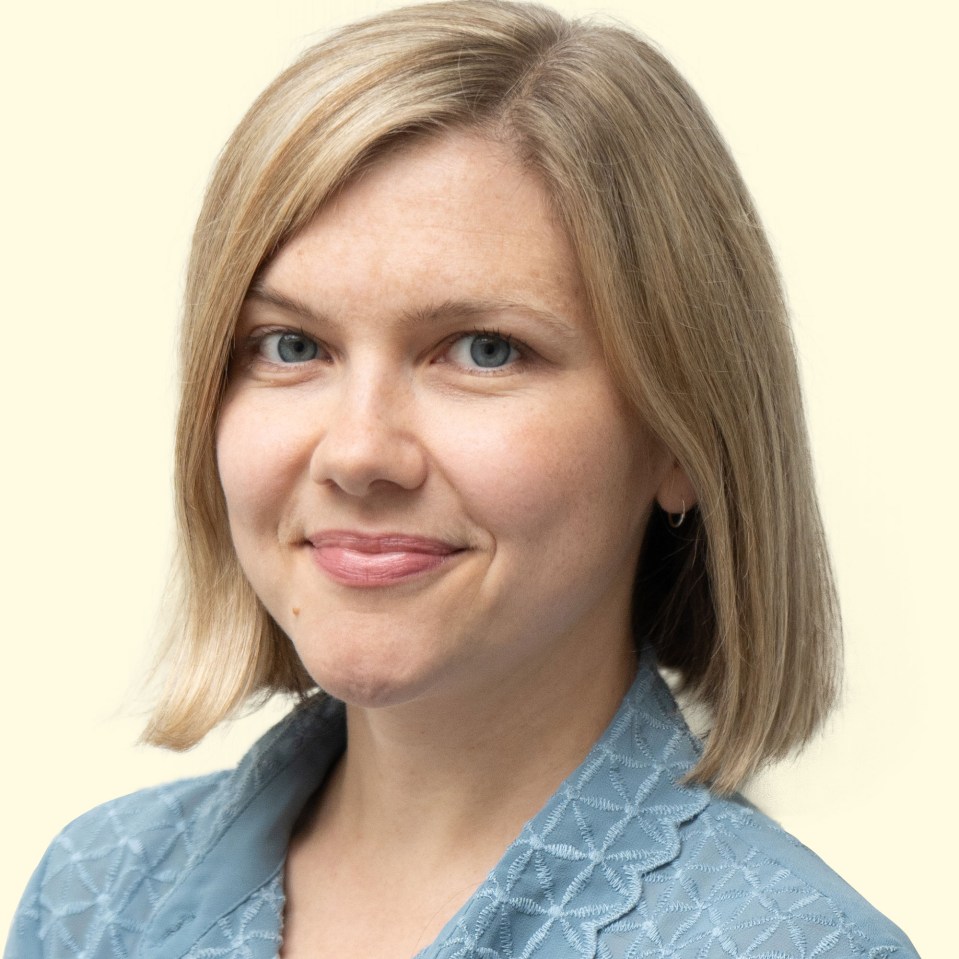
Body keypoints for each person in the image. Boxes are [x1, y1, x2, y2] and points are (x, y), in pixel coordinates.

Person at [5, 1, 919, 957]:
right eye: (291, 345)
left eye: (484, 351)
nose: (357, 453)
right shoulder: (96, 900)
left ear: (680, 436)